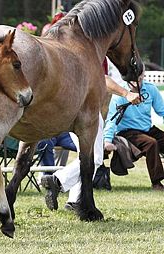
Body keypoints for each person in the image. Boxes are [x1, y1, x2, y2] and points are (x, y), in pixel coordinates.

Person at [40, 64, 142, 211]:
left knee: (86, 156)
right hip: (86, 109)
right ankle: (57, 180)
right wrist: (127, 93)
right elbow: (103, 79)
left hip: (68, 108)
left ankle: (75, 200)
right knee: (95, 158)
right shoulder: (94, 49)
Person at [104, 66, 164, 191]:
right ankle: (156, 183)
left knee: (156, 139)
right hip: (127, 132)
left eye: (137, 78)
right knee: (151, 143)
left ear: (143, 75)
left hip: (147, 129)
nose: (133, 83)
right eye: (129, 80)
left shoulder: (151, 89)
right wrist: (107, 140)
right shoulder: (120, 94)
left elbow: (162, 111)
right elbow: (112, 119)